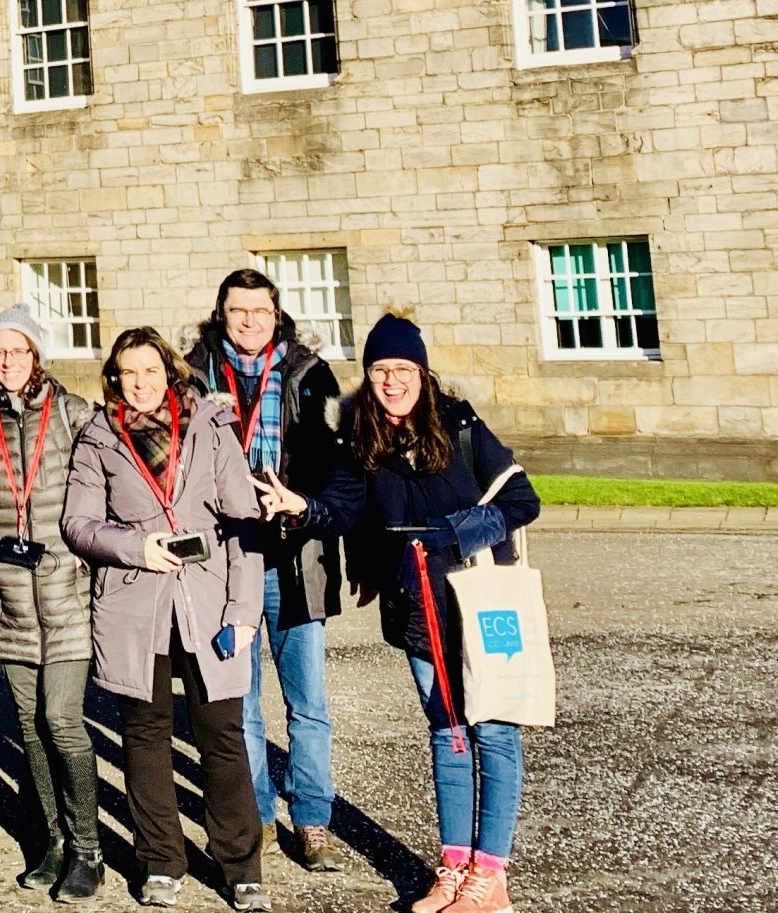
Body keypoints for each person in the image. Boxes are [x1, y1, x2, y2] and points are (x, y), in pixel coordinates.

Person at [257, 316, 541, 913]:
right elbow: (340, 509)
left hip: (482, 602)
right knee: (449, 735)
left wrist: (450, 538)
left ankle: (491, 880)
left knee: (493, 732)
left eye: (402, 370)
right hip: (419, 612)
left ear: (421, 372)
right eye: (380, 370)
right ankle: (454, 867)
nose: (391, 381)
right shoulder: (358, 438)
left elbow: (522, 501)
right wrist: (299, 506)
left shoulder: (460, 428)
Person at [61, 325, 268, 913]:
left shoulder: (210, 428)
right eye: (129, 373)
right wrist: (135, 546)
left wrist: (244, 610)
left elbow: (243, 523)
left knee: (221, 737)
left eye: (150, 371)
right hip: (135, 605)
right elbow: (78, 525)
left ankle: (241, 866)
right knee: (145, 738)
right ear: (115, 380)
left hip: (208, 605)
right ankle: (161, 862)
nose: (141, 384)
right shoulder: (98, 438)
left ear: (169, 372)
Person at [188, 267, 345, 871]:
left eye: (260, 310)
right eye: (237, 311)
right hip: (226, 563)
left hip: (294, 556)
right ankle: (255, 811)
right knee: (241, 699)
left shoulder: (311, 375)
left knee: (307, 702)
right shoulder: (195, 374)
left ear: (277, 314)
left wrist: (300, 505)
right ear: (220, 315)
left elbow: (338, 471)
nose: (249, 321)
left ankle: (312, 820)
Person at [0, 305, 104, 901]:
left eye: (18, 350)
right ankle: (54, 842)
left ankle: (89, 848)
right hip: (9, 597)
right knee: (31, 729)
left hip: (66, 593)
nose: (8, 361)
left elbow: (100, 491)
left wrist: (80, 557)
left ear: (37, 355)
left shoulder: (73, 414)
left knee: (63, 721)